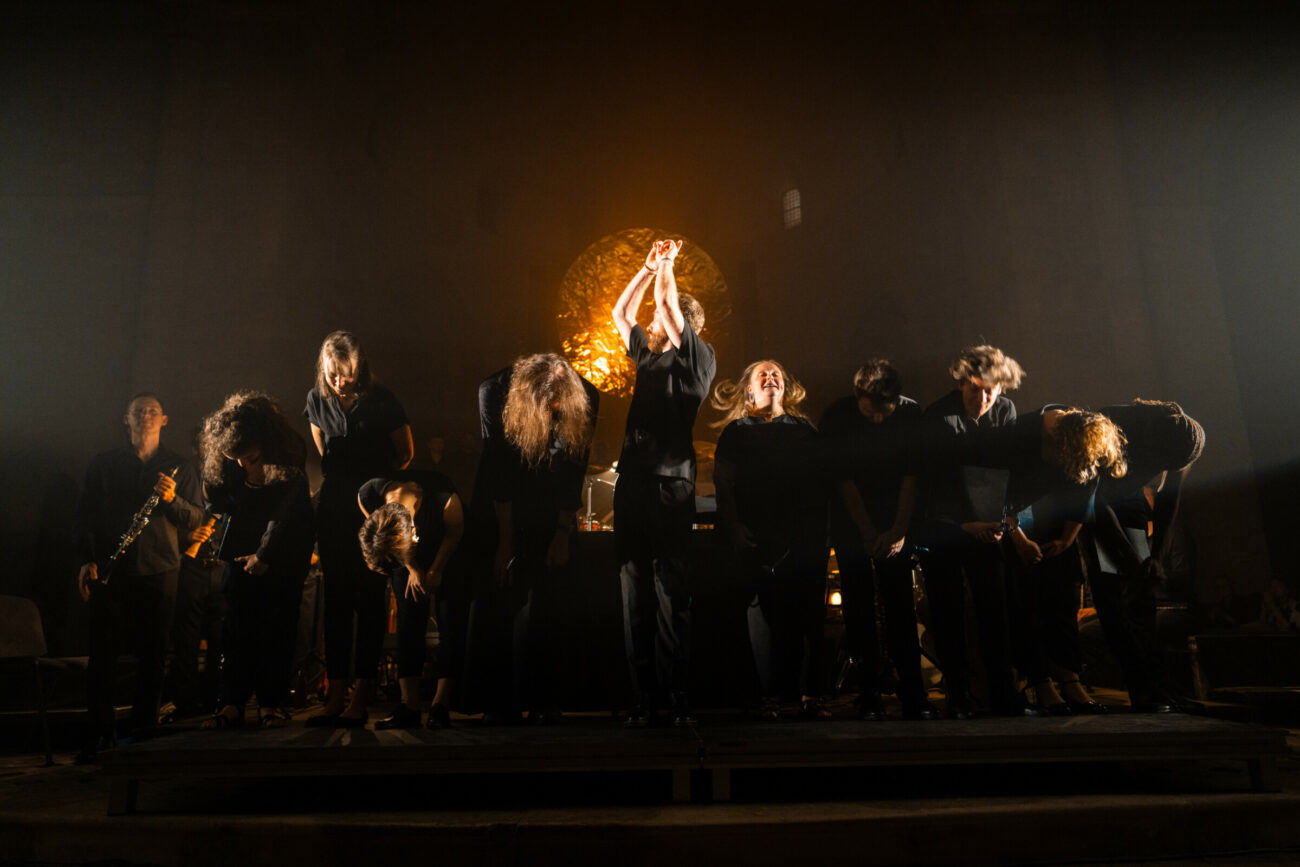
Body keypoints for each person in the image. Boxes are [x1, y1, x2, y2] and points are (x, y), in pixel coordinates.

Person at [610, 239, 717, 727]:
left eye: (658, 322)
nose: (650, 326)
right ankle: (643, 697)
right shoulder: (647, 356)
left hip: (670, 487)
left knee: (671, 592)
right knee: (634, 591)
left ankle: (676, 695)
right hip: (633, 483)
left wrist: (669, 266)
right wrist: (646, 267)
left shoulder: (698, 360)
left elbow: (669, 308)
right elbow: (619, 312)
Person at [466, 352, 599, 724]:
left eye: (557, 407)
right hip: (501, 500)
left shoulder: (587, 396)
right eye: (545, 407)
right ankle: (497, 701)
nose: (550, 415)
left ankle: (544, 699)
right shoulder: (492, 391)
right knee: (499, 593)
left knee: (549, 600)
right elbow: (498, 467)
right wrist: (505, 541)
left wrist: (561, 533)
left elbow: (576, 467)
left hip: (551, 499)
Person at [74, 393, 205, 760]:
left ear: (164, 420)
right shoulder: (104, 465)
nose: (146, 416)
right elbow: (85, 517)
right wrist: (86, 559)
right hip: (111, 570)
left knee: (155, 656)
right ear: (126, 420)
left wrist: (172, 500)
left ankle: (146, 737)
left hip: (161, 569)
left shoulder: (180, 467)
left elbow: (195, 519)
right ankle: (99, 737)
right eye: (138, 412)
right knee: (103, 657)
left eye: (153, 412)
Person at [973, 406, 1127, 714]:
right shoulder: (1018, 437)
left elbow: (1086, 490)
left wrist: (1068, 538)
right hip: (1010, 521)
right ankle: (1039, 681)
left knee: (1063, 598)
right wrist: (1018, 539)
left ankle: (1070, 679)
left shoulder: (1081, 442)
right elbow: (993, 494)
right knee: (1025, 600)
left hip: (1054, 524)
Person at [303, 331, 414, 727]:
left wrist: (378, 490)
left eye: (345, 374)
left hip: (371, 509)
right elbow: (323, 449)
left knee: (369, 599)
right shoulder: (317, 399)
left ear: (359, 366)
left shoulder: (381, 398)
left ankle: (361, 697)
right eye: (332, 374)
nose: (339, 382)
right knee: (336, 601)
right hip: (334, 509)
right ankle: (334, 694)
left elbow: (406, 452)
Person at [713, 360, 832, 721]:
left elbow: (822, 482)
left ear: (785, 386)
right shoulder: (736, 432)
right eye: (761, 375)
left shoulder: (804, 430)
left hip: (803, 536)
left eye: (775, 373)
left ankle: (810, 695)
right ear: (749, 389)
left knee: (808, 615)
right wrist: (732, 524)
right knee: (763, 618)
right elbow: (723, 482)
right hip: (756, 536)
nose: (770, 378)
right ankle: (768, 697)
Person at [819, 360, 935, 720]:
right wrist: (868, 532)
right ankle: (868, 693)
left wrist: (898, 530)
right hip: (851, 521)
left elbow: (912, 476)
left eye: (886, 412)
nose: (879, 420)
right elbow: (843, 481)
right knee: (857, 606)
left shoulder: (911, 413)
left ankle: (913, 692)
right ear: (858, 397)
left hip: (896, 517)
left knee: (900, 603)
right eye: (871, 412)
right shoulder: (837, 417)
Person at [916, 345, 1024, 719]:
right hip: (945, 525)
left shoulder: (1005, 412)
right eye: (976, 389)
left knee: (995, 609)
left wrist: (1000, 522)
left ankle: (1002, 691)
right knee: (946, 611)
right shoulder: (937, 417)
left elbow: (1007, 473)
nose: (984, 397)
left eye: (991, 390)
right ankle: (958, 693)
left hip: (987, 526)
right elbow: (934, 479)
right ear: (962, 383)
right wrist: (963, 524)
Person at [198, 392, 314, 729]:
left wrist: (264, 555)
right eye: (233, 458)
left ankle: (270, 703)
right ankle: (231, 702)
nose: (240, 464)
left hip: (286, 539)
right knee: (237, 623)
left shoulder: (288, 449)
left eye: (248, 457)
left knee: (277, 623)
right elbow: (216, 499)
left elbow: (284, 512)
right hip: (245, 533)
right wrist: (239, 483)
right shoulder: (230, 456)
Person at [1088, 399, 1205, 712]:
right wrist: (1127, 557)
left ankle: (1155, 688)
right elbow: (1095, 499)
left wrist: (1156, 556)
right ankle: (1140, 688)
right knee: (1112, 597)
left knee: (1143, 600)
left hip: (1128, 502)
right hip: (1091, 498)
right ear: (1154, 445)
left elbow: (1169, 499)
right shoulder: (1114, 423)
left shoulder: (1184, 441)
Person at [357, 470, 465, 729]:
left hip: (447, 549)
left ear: (413, 533)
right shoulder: (368, 494)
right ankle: (409, 706)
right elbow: (390, 543)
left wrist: (435, 570)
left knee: (451, 622)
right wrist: (413, 568)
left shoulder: (446, 501)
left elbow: (454, 533)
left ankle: (441, 704)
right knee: (408, 623)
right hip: (406, 557)